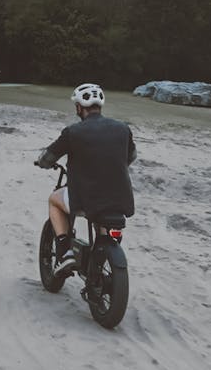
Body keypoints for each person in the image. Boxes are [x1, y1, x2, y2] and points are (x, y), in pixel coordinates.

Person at [35, 83, 136, 277]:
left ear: (79, 107)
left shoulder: (73, 132)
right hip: (119, 199)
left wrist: (41, 162)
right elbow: (130, 157)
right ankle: (99, 263)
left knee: (54, 200)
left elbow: (48, 158)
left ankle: (65, 252)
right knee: (104, 225)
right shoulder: (123, 129)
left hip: (86, 199)